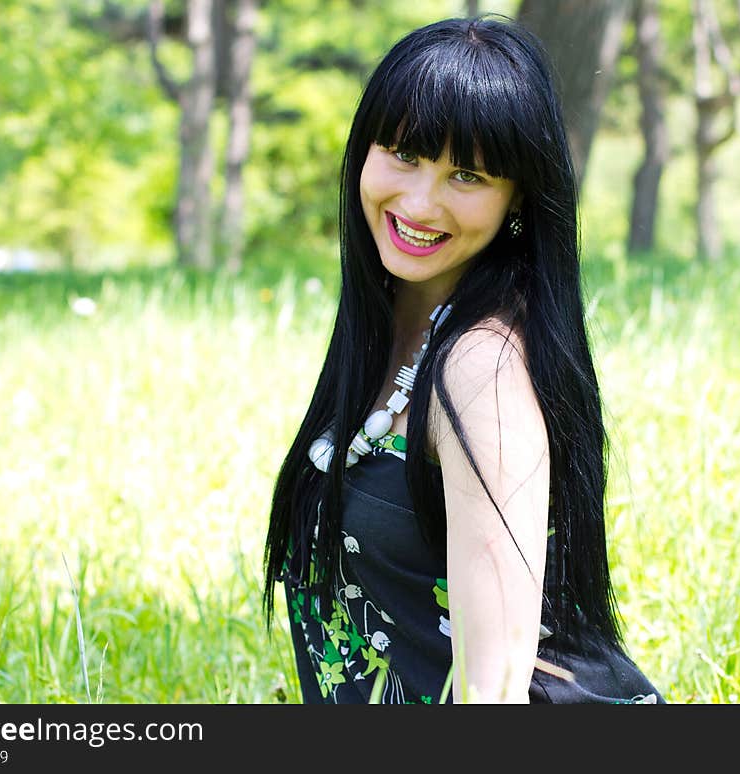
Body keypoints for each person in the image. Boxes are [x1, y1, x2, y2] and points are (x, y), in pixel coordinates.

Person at [262, 14, 665, 704]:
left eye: (468, 175)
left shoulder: (481, 369)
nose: (420, 201)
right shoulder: (391, 332)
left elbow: (495, 689)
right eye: (405, 155)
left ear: (517, 199)